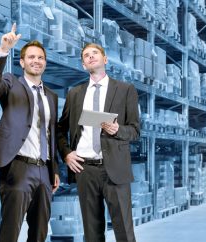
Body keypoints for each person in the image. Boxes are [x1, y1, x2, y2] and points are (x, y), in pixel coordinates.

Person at [0, 23, 60, 242]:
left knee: (39, 232)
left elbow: (50, 134)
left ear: (45, 63)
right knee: (10, 231)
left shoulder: (51, 96)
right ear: (22, 62)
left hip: (44, 171)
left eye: (41, 58)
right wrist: (3, 50)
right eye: (32, 57)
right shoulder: (10, 84)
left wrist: (54, 168)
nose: (37, 61)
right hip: (18, 167)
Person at [56, 43, 140, 242]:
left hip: (115, 169)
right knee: (92, 232)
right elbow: (61, 128)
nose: (91, 57)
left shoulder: (125, 90)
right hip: (85, 170)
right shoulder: (75, 94)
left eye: (95, 53)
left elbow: (135, 130)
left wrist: (119, 129)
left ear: (105, 59)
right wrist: (67, 153)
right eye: (86, 55)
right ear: (84, 64)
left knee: (124, 232)